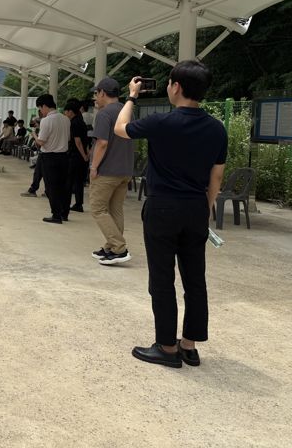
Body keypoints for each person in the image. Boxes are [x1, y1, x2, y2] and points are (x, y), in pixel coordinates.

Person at [114, 61, 227, 369]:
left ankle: (166, 348)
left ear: (176, 87)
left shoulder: (161, 122)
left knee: (162, 280)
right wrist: (207, 206)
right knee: (195, 279)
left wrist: (132, 96)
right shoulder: (217, 128)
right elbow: (216, 176)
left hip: (163, 206)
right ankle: (189, 346)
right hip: (196, 208)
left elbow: (120, 129)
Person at [89, 77, 135, 265]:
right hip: (125, 169)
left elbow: (102, 143)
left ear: (102, 93)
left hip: (107, 170)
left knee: (97, 208)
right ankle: (111, 246)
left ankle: (119, 248)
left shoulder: (104, 114)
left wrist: (94, 167)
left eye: (96, 93)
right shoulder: (128, 110)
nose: (95, 98)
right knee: (115, 209)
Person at [34, 94, 70, 223]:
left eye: (40, 108)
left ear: (44, 106)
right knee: (63, 186)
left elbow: (41, 142)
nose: (41, 111)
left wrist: (34, 135)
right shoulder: (66, 119)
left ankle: (56, 215)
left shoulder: (46, 120)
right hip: (64, 156)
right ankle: (64, 213)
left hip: (49, 157)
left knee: (51, 187)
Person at [64, 102, 89, 213]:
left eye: (66, 111)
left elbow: (77, 141)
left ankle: (66, 205)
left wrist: (84, 156)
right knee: (79, 181)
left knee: (69, 181)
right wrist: (87, 155)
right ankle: (79, 204)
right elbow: (86, 141)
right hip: (82, 156)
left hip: (75, 155)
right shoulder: (82, 122)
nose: (65, 114)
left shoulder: (74, 123)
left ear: (70, 111)